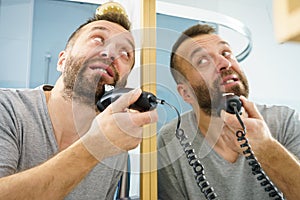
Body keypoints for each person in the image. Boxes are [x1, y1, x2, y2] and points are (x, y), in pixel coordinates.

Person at [0, 11, 158, 199]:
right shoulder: (7, 108)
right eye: (98, 39)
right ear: (62, 60)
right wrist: (93, 147)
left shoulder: (114, 149)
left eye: (125, 53)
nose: (111, 53)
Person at [157, 24, 300, 200]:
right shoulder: (171, 140)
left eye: (225, 53)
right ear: (186, 93)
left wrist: (265, 147)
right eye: (202, 61)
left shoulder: (284, 121)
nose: (225, 63)